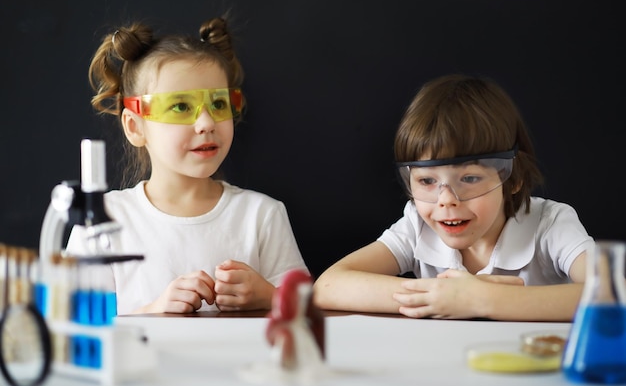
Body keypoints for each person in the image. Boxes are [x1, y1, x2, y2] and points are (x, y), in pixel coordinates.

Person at [67, 16, 309, 315]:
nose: (207, 123)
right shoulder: (102, 221)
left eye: (219, 104)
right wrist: (154, 311)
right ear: (135, 127)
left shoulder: (261, 214)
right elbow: (74, 325)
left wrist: (271, 296)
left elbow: (310, 310)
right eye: (181, 106)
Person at [313, 74, 594, 322]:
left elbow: (614, 296)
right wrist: (442, 296)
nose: (446, 200)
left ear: (513, 179)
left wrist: (481, 299)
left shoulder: (551, 223)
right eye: (426, 181)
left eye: (469, 179)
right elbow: (327, 287)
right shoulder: (417, 226)